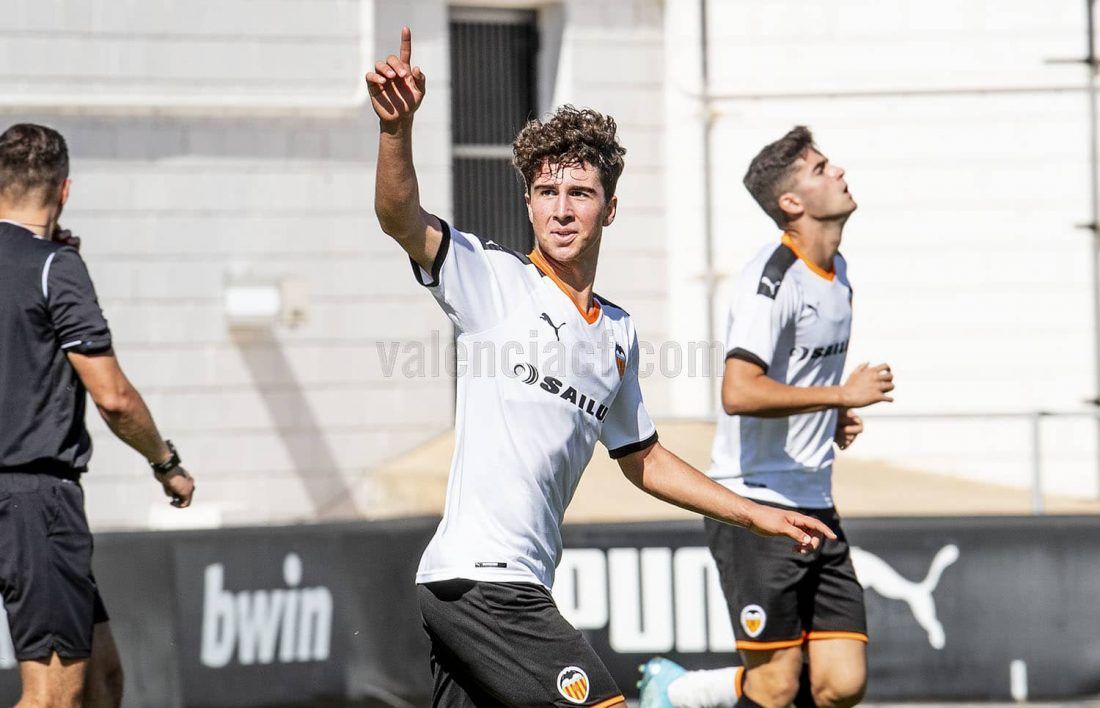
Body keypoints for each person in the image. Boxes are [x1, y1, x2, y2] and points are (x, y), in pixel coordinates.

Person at [367, 29, 839, 708]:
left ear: (609, 208)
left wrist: (752, 514)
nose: (561, 209)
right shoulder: (493, 282)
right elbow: (398, 216)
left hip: (506, 584)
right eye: (546, 191)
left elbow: (642, 458)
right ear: (527, 202)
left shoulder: (617, 333)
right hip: (482, 583)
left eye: (580, 193)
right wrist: (396, 129)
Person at [638, 127, 895, 708]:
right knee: (776, 687)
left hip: (814, 499)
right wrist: (840, 396)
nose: (839, 171)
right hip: (755, 504)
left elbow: (795, 381)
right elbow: (738, 390)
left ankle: (693, 690)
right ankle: (682, 692)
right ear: (792, 203)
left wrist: (830, 419)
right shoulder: (769, 279)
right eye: (821, 168)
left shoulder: (840, 272)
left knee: (840, 684)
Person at [0, 123, 196, 708]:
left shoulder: (47, 262)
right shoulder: (54, 267)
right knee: (55, 695)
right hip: (33, 497)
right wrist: (166, 463)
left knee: (102, 677)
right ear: (65, 190)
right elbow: (113, 397)